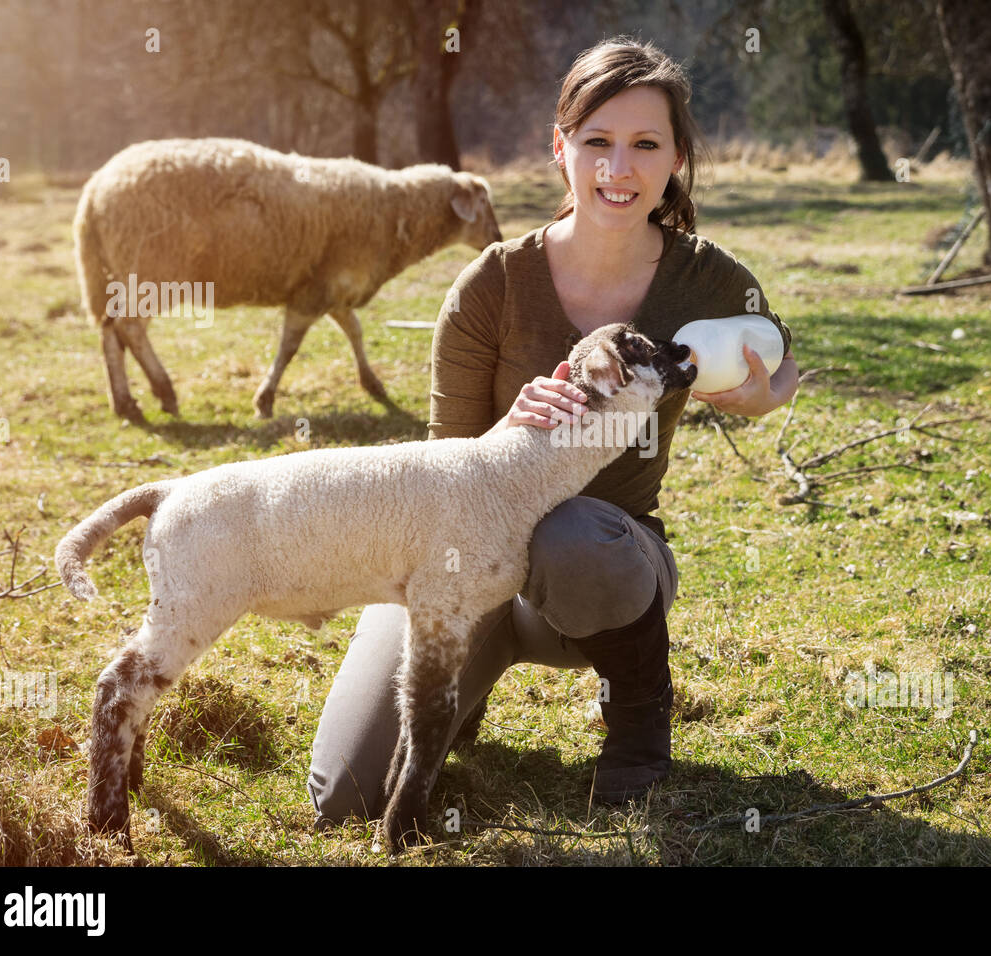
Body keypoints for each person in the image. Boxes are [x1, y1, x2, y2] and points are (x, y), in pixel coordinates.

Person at [307, 36, 798, 826]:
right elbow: (438, 476)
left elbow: (777, 356)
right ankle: (469, 679)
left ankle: (638, 709)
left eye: (646, 145)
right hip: (463, 564)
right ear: (560, 148)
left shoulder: (709, 279)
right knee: (348, 796)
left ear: (676, 158)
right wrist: (507, 434)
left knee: (569, 531)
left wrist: (767, 397)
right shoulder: (491, 285)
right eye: (597, 142)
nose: (619, 168)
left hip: (602, 568)